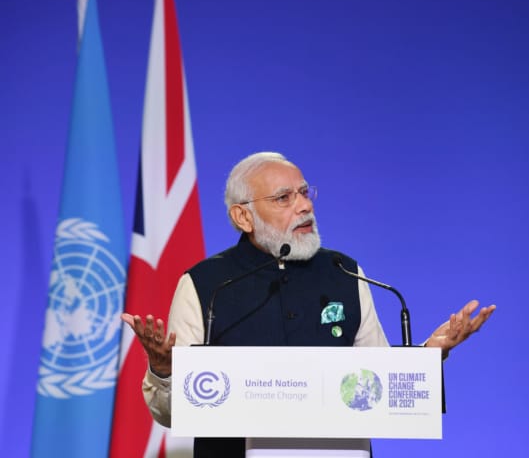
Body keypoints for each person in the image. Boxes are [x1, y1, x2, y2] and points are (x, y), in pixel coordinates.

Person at [123, 151, 496, 458]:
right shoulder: (206, 285)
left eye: (304, 193)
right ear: (243, 216)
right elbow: (173, 414)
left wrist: (431, 354)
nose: (304, 206)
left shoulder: (344, 273)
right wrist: (164, 369)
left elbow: (378, 387)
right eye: (284, 198)